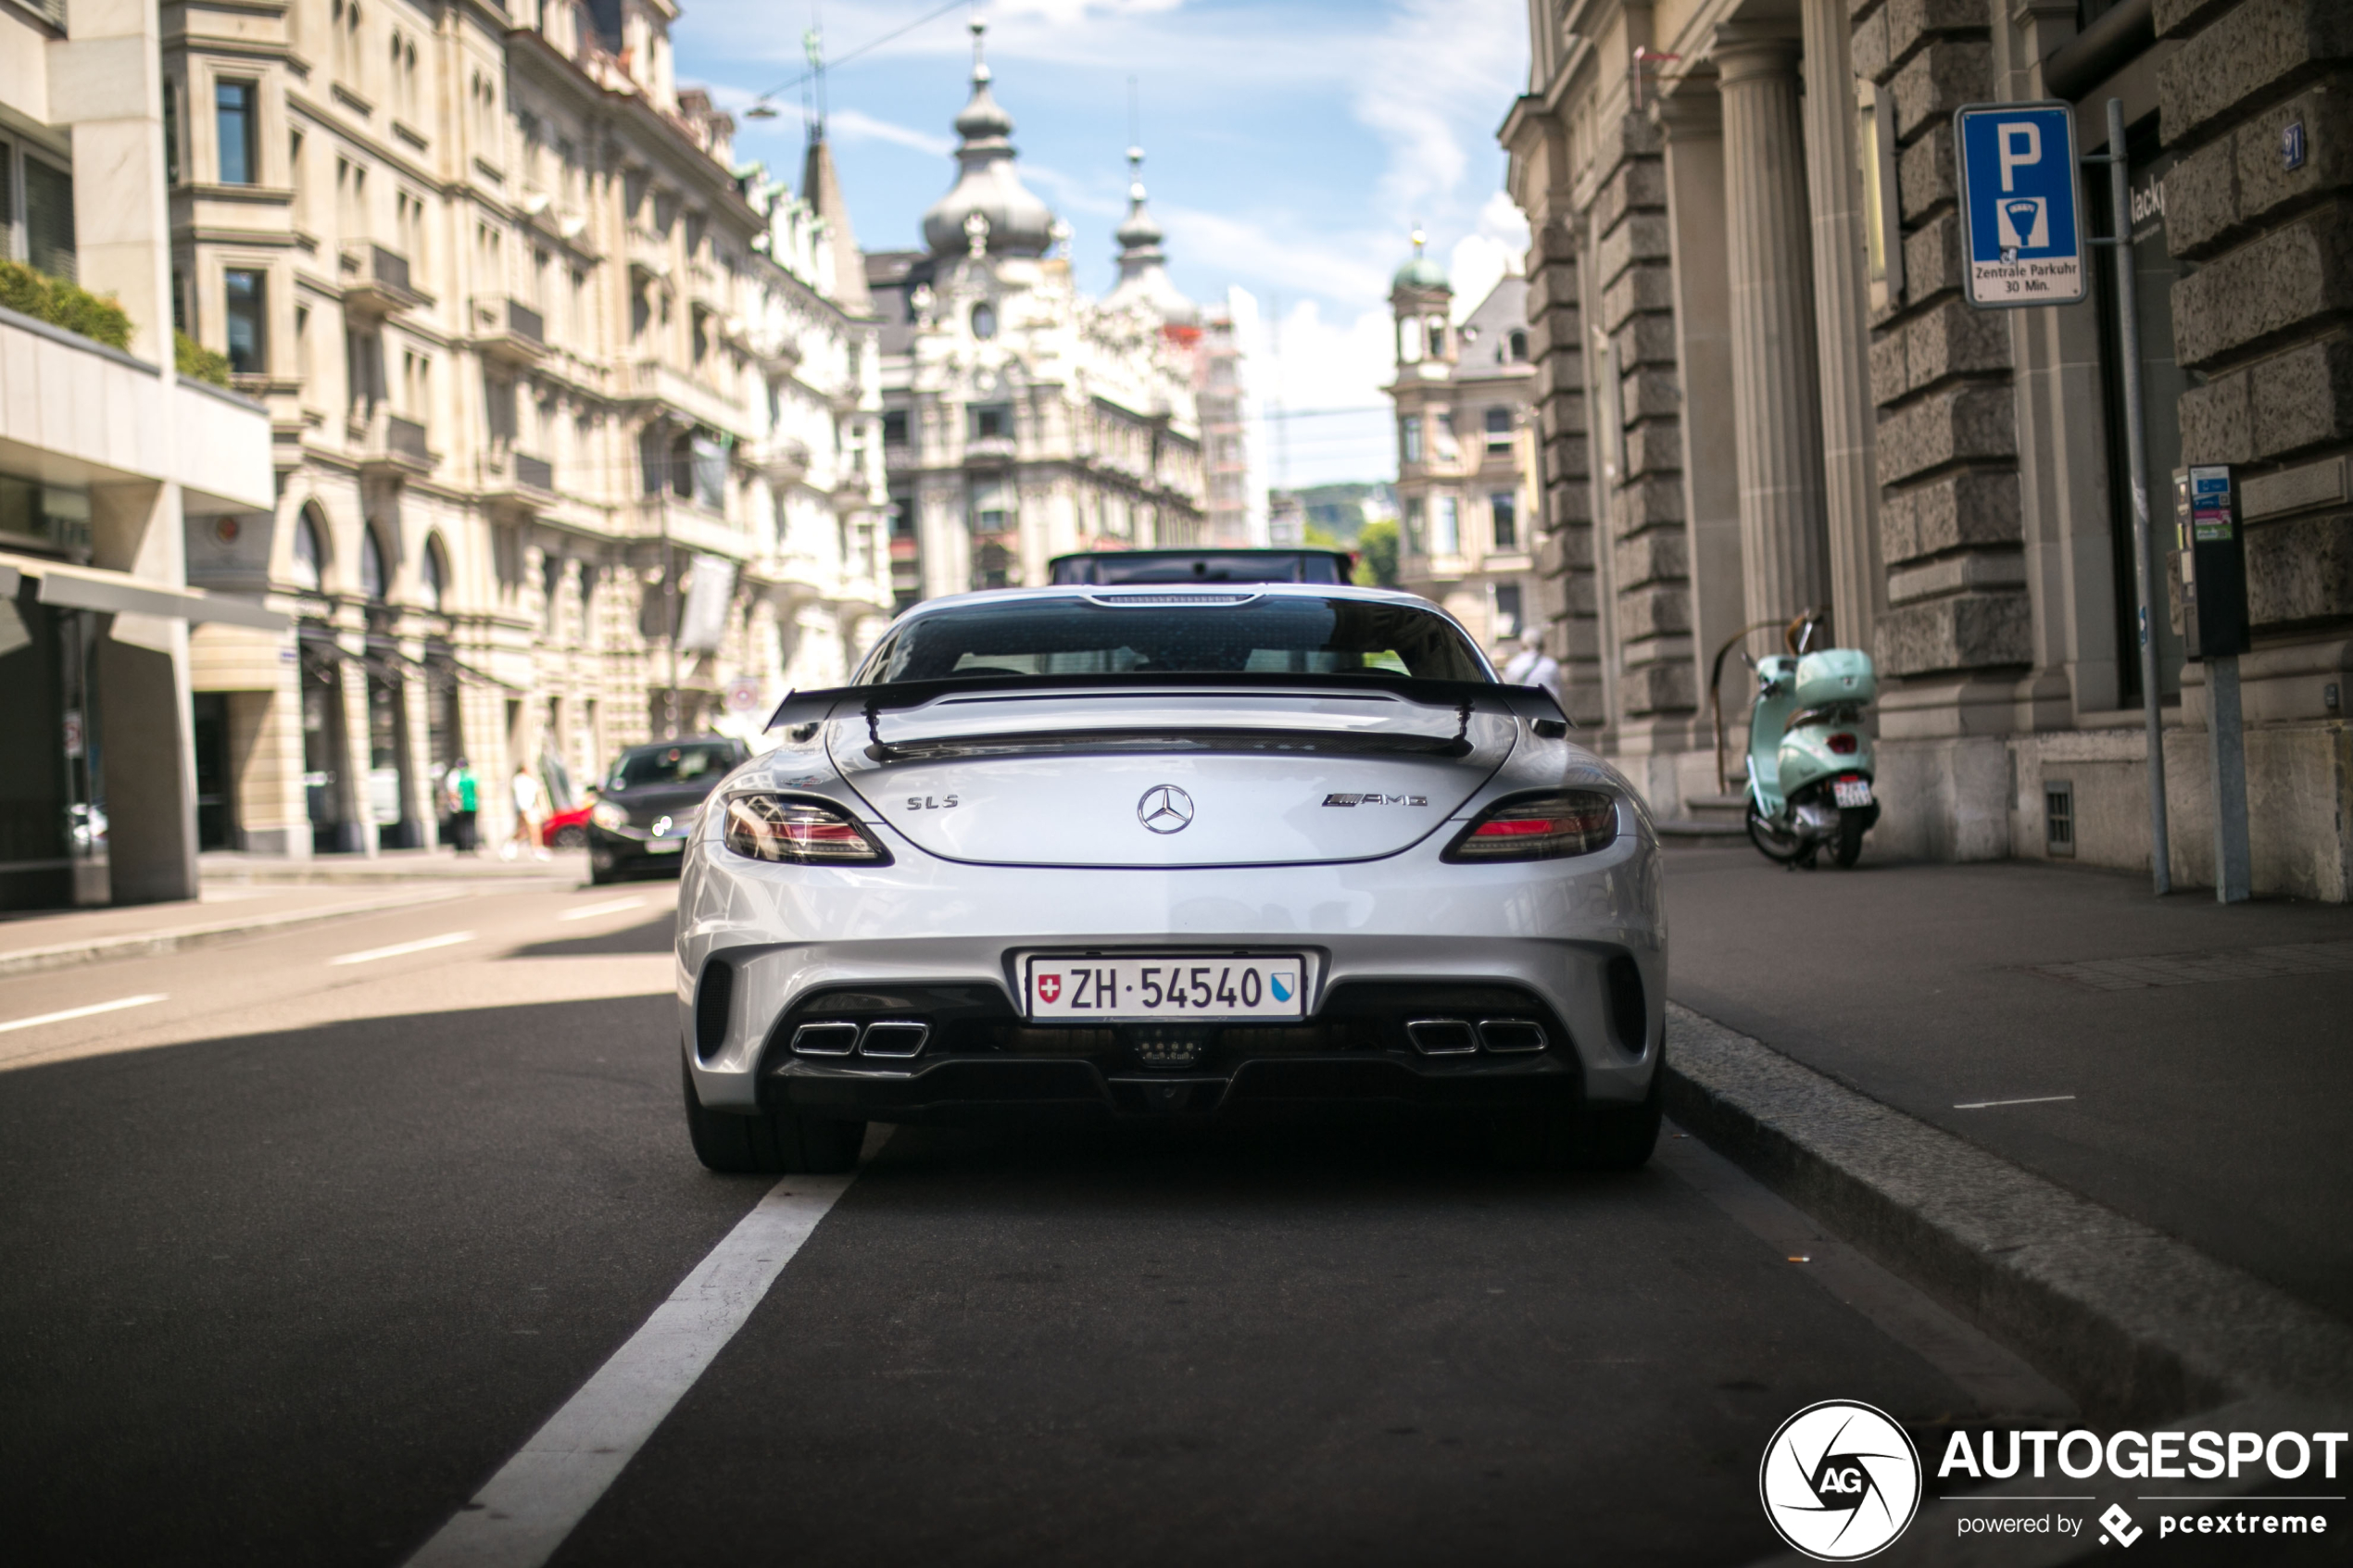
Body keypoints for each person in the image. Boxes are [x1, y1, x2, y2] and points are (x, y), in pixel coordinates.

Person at [1501, 626, 1564, 707]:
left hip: (1523, 714)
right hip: (1548, 714)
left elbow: (1507, 695)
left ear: (1521, 645)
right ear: (1542, 645)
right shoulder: (1551, 665)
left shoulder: (1511, 667)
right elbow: (1559, 694)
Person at [503, 765, 545, 860]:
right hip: (526, 807)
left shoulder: (528, 780)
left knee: (531, 829)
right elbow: (521, 795)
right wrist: (523, 809)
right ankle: (535, 849)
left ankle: (535, 848)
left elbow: (535, 794)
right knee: (529, 829)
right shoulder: (520, 780)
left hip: (531, 807)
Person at [446, 759, 479, 853]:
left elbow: (452, 792)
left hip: (461, 805)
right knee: (470, 826)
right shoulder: (471, 776)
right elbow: (477, 790)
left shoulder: (457, 775)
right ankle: (471, 845)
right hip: (472, 805)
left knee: (461, 826)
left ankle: (463, 845)